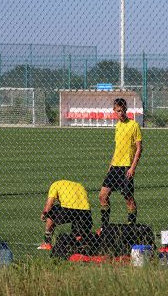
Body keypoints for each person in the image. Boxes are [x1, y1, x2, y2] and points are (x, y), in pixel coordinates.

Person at [99, 98, 143, 229]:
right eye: (118, 111)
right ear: (114, 111)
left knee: (128, 199)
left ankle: (131, 227)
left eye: (123, 110)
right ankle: (105, 227)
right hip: (115, 167)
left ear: (126, 110)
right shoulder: (117, 126)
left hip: (126, 168)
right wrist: (110, 167)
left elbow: (139, 148)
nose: (121, 113)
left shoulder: (134, 125)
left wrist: (133, 168)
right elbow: (117, 148)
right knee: (102, 195)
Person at [38, 179, 93, 250]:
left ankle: (47, 243)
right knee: (78, 235)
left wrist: (44, 213)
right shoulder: (79, 185)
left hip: (68, 209)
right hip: (86, 211)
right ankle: (80, 243)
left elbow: (49, 204)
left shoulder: (55, 185)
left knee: (51, 212)